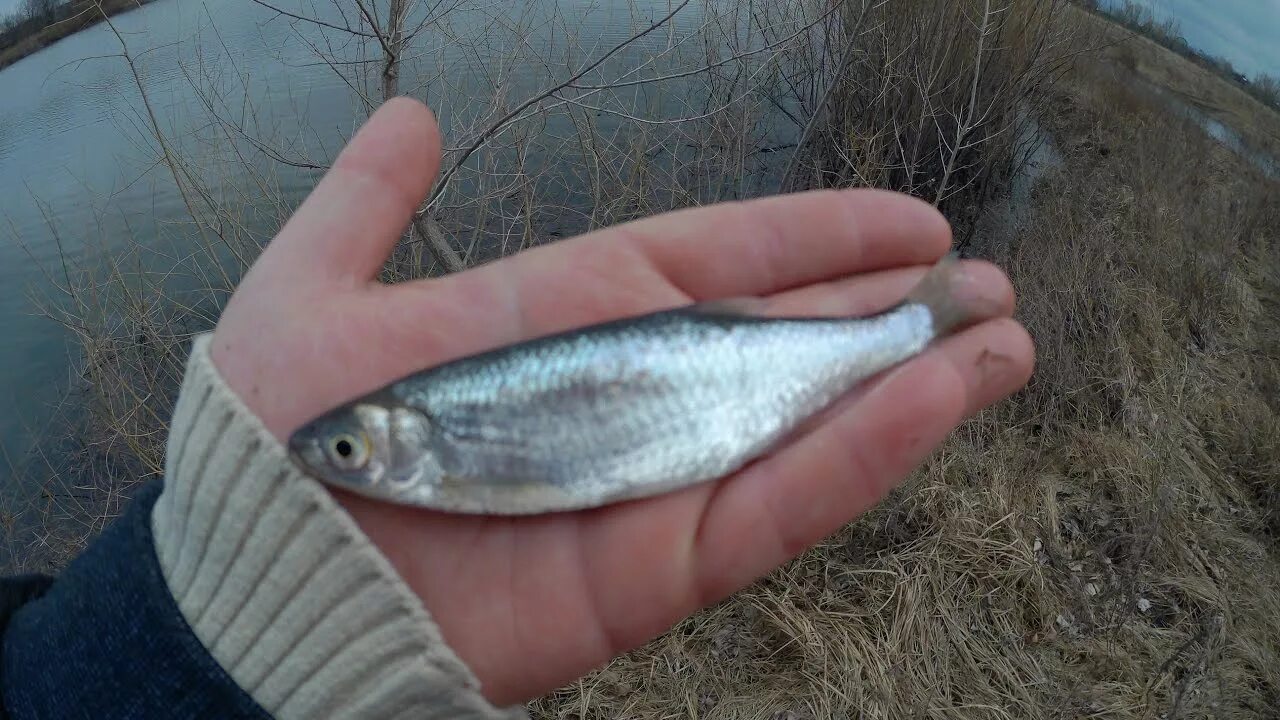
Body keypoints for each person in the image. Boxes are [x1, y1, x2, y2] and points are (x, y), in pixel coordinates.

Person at [0, 97, 1033, 718]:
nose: (340, 463)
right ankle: (912, 326)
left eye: (353, 448)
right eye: (348, 451)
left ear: (403, 437)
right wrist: (197, 606)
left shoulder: (439, 451)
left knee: (896, 347)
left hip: (750, 374)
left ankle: (912, 324)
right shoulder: (424, 457)